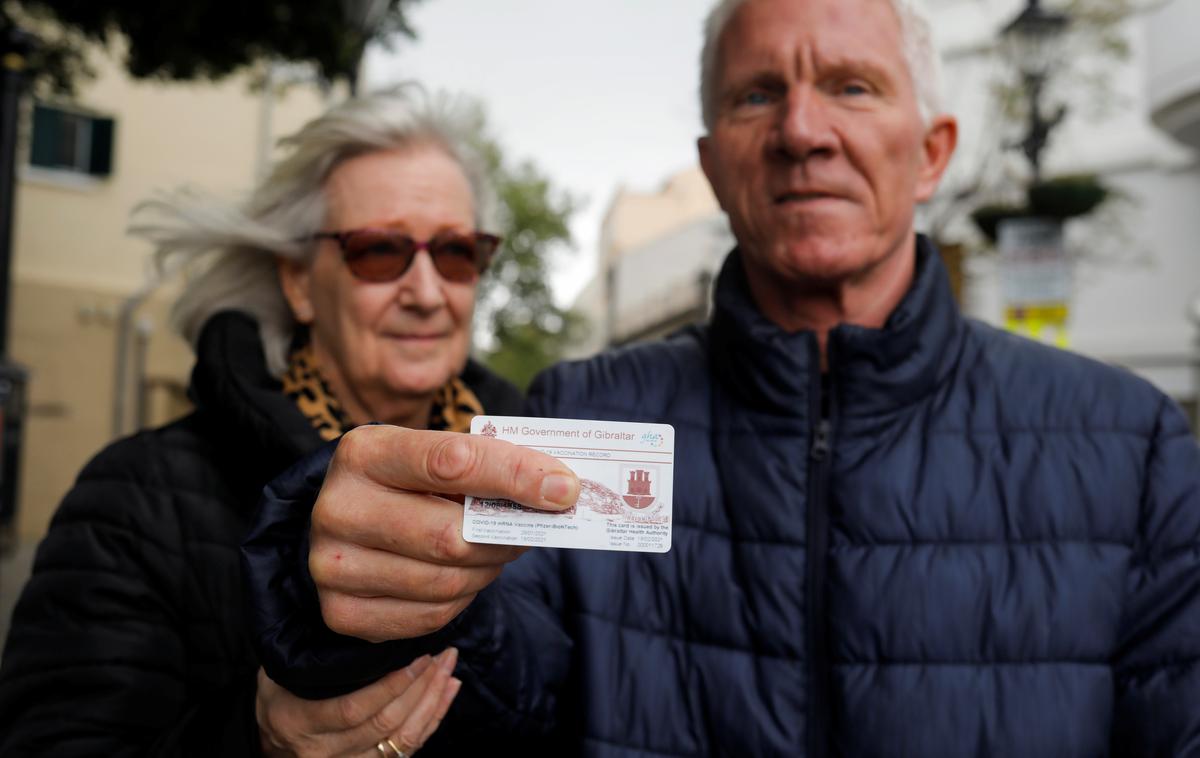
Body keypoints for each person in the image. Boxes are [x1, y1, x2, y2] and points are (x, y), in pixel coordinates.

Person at [245, 0, 1200, 754]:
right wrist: (355, 596)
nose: (801, 130)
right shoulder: (577, 412)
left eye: (853, 87)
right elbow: (497, 695)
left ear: (933, 154)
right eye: (754, 96)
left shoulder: (1135, 444)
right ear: (711, 166)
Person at [0, 85, 523, 757]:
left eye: (456, 252)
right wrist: (258, 740)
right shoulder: (133, 499)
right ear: (299, 282)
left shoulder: (536, 489)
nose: (426, 292)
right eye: (379, 251)